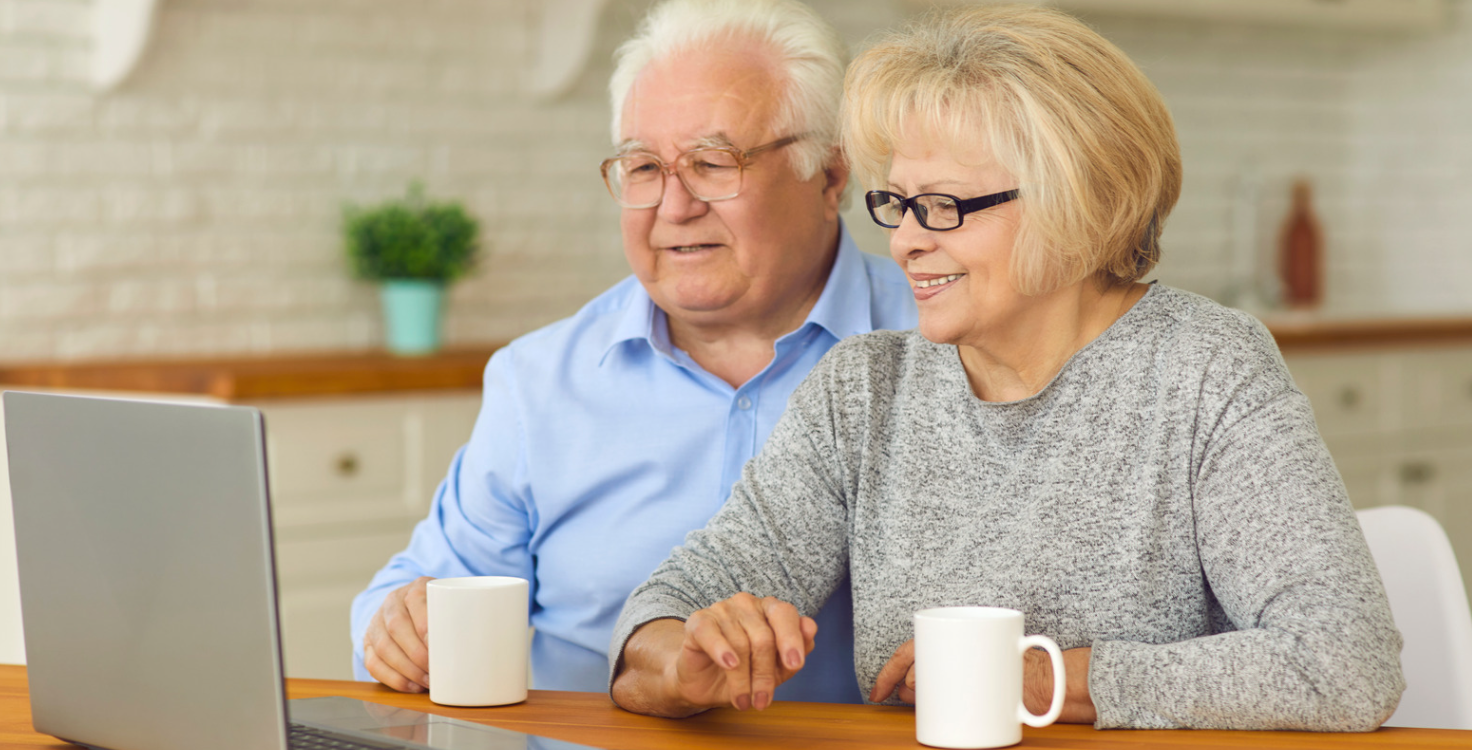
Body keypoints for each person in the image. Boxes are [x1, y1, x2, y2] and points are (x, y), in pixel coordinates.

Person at [608, 5, 1405, 729]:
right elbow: (666, 607)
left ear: (1077, 204)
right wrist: (686, 660)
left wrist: (1038, 677)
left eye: (945, 206)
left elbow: (1344, 661)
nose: (909, 240)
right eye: (897, 202)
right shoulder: (863, 391)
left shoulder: (1201, 369)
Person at [350, 0, 916, 703]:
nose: (673, 207)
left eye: (712, 163)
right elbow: (421, 588)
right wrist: (398, 625)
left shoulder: (944, 345)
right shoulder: (539, 381)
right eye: (643, 167)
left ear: (831, 178)